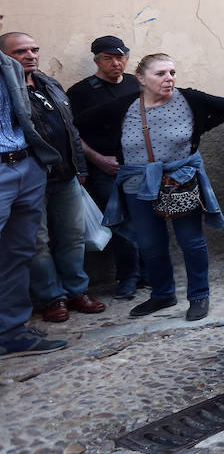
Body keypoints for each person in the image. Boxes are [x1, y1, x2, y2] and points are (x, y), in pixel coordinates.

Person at [79, 53, 224, 320]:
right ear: (140, 78)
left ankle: (198, 295)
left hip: (180, 181)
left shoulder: (190, 99)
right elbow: (78, 124)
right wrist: (105, 154)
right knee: (150, 244)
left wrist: (199, 129)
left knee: (191, 242)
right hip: (137, 185)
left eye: (172, 72)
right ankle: (162, 295)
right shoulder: (124, 106)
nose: (169, 79)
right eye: (160, 74)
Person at [0, 33, 105, 322]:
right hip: (29, 177)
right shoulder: (6, 90)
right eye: (20, 51)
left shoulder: (49, 83)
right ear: (4, 56)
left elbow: (70, 128)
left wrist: (80, 167)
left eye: (34, 49)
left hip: (66, 174)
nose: (31, 55)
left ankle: (76, 292)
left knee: (73, 237)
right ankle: (51, 298)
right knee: (37, 242)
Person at [0, 32, 66, 358]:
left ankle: (11, 333)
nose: (30, 55)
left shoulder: (9, 68)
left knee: (17, 254)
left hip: (26, 165)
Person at [65, 36, 143, 299]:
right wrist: (98, 159)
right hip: (106, 168)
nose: (116, 63)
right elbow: (72, 133)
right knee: (121, 223)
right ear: (97, 60)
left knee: (147, 219)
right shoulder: (80, 92)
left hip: (140, 166)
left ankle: (148, 274)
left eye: (120, 57)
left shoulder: (135, 83)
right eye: (108, 58)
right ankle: (127, 278)